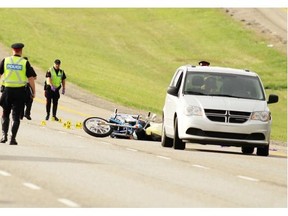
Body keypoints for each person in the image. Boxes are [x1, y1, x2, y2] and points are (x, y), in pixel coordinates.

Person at [0, 43, 36, 145]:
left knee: (5, 114)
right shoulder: (24, 63)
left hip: (7, 91)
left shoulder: (6, 60)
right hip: (19, 93)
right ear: (21, 51)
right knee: (16, 117)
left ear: (12, 50)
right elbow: (31, 78)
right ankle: (12, 138)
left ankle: (3, 136)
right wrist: (33, 92)